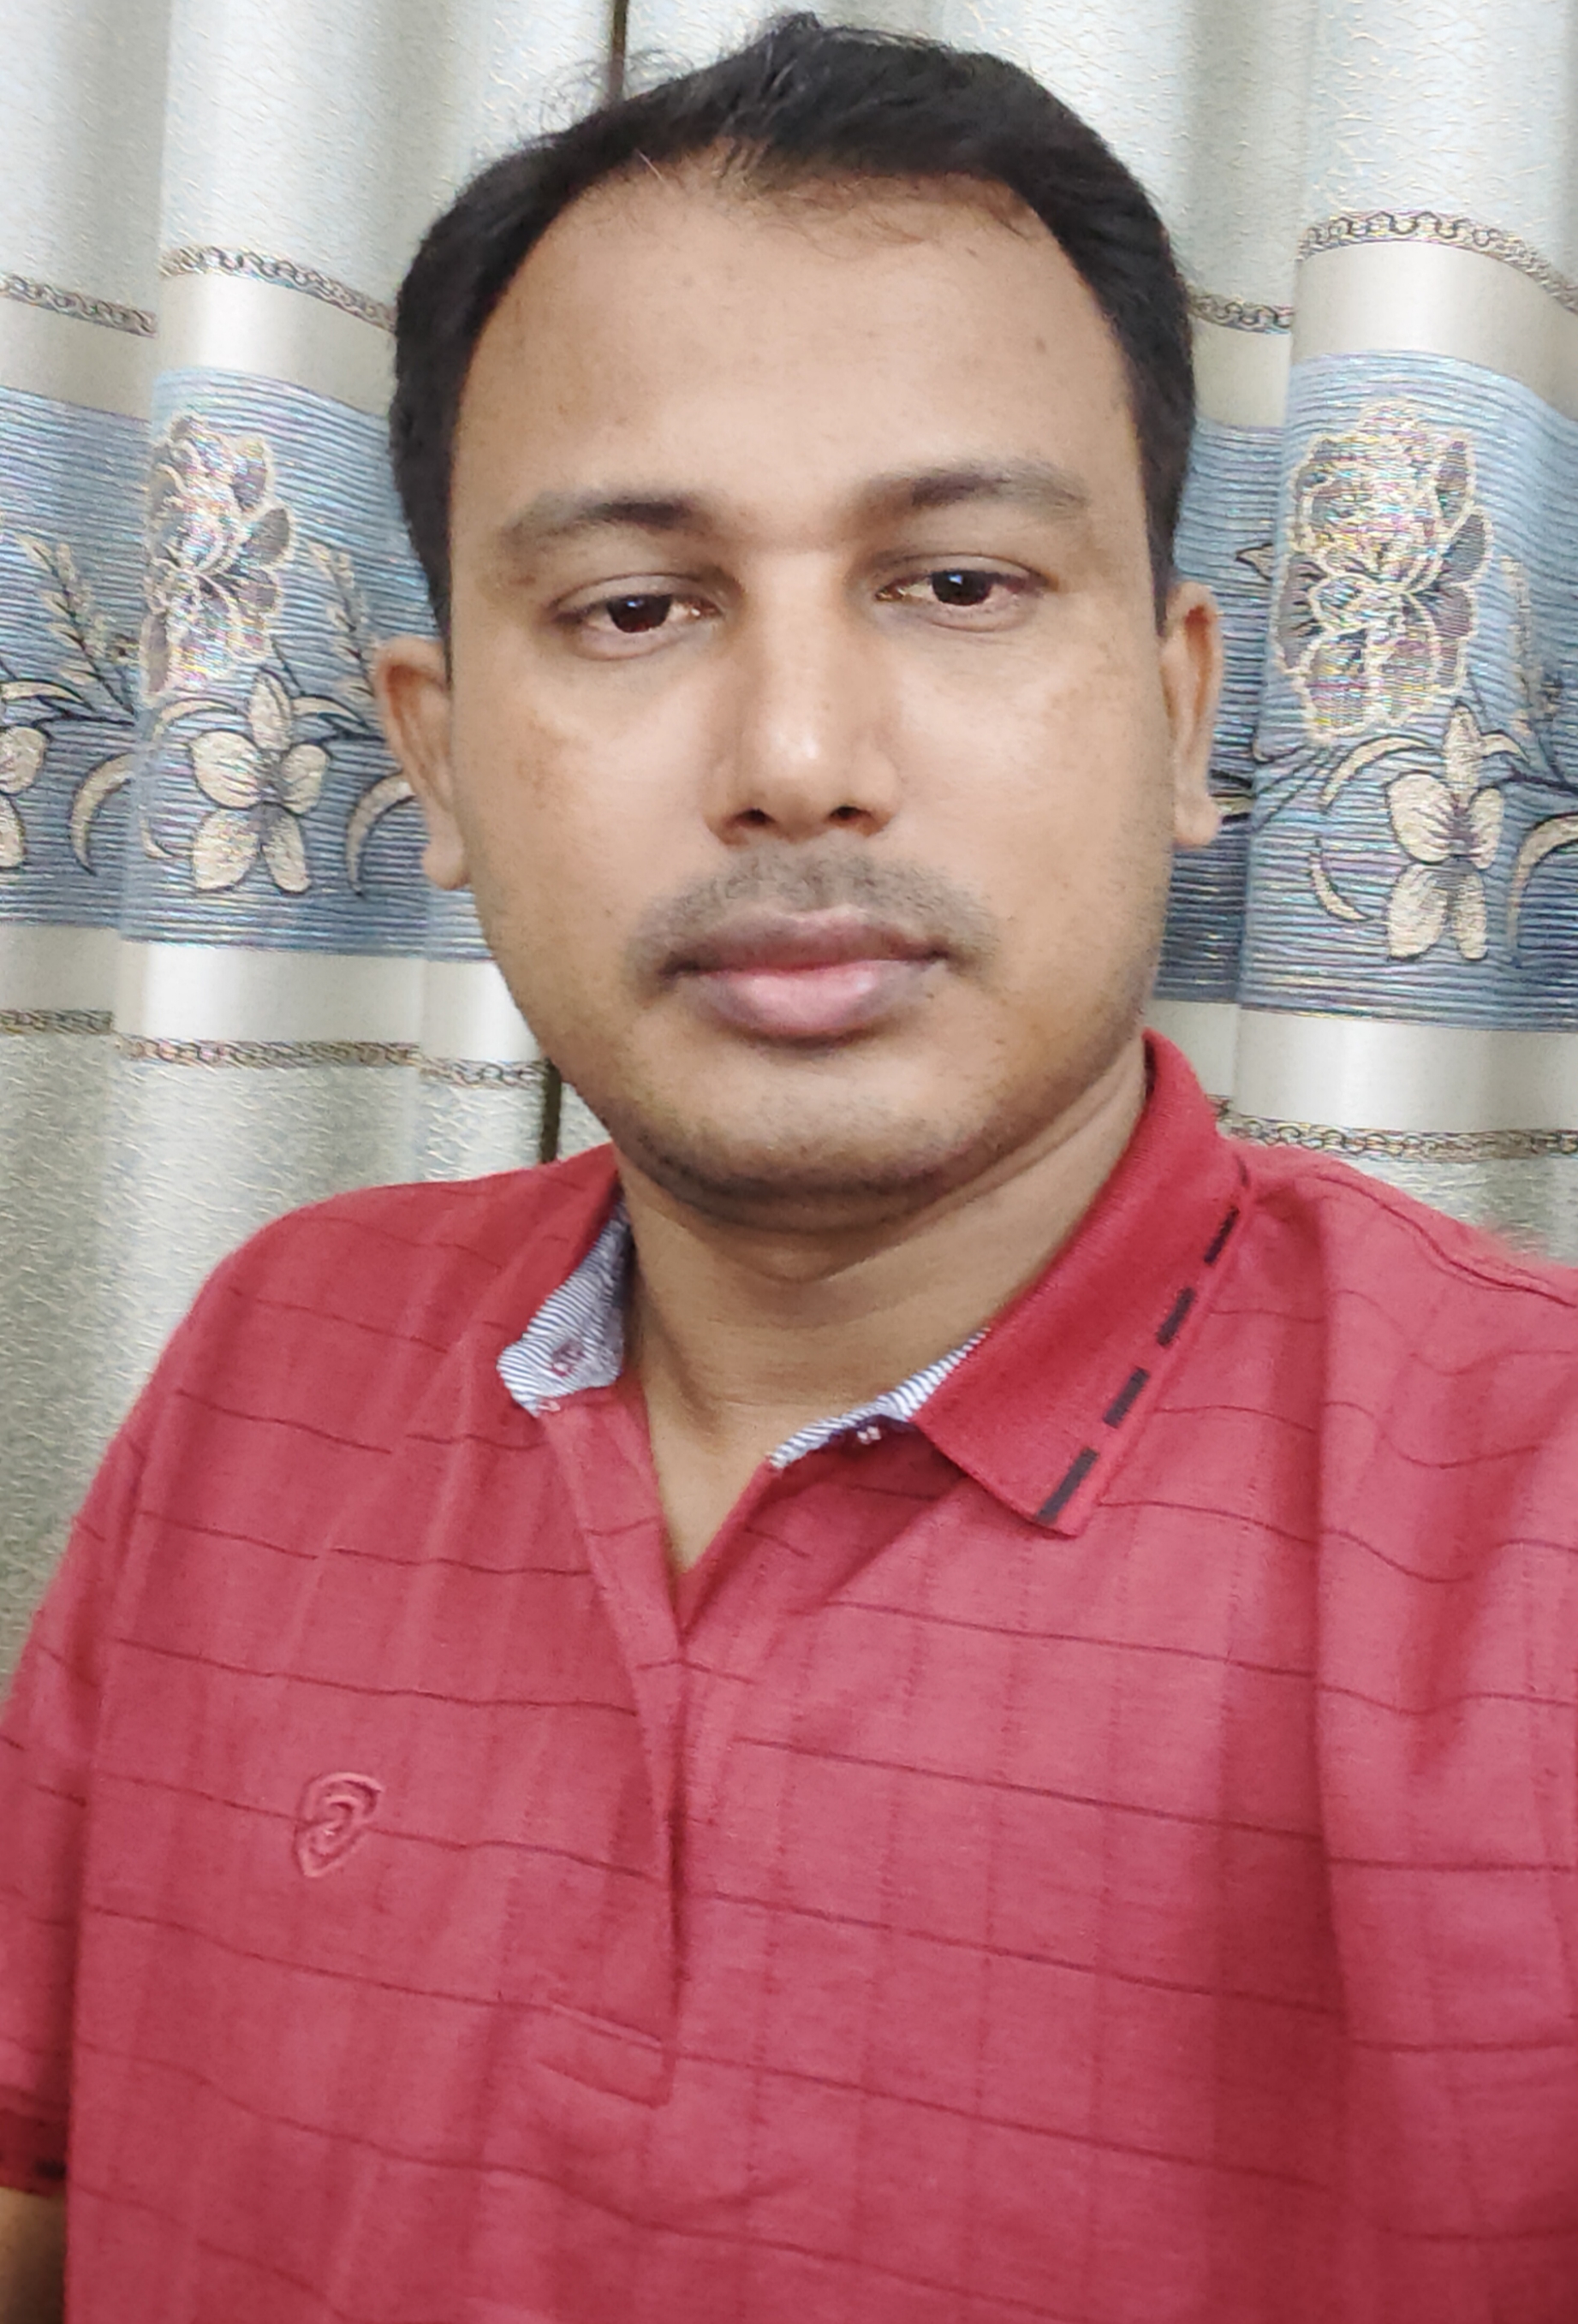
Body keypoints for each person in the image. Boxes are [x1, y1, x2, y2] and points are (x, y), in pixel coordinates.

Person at [3, 13, 1577, 2320]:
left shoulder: (1528, 1527)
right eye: (634, 608)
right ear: (436, 759)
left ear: (1179, 709)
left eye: (957, 583)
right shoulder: (275, 1353)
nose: (802, 758)